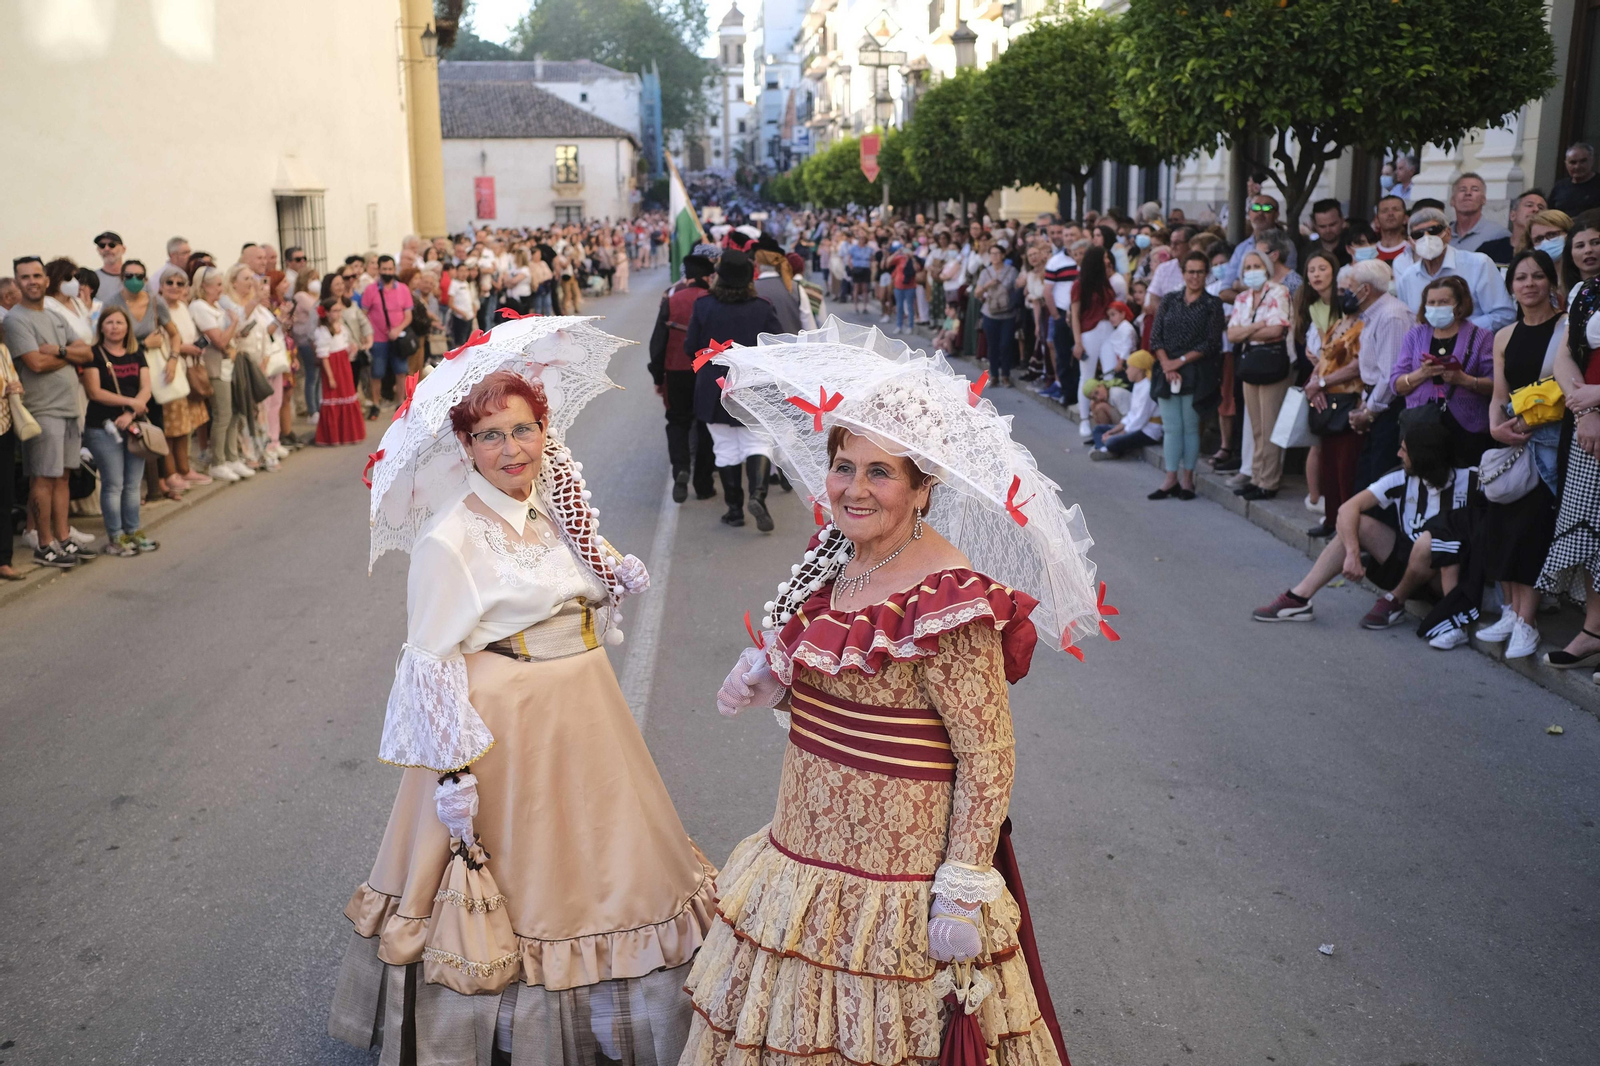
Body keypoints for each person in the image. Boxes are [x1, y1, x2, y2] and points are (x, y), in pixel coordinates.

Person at [331, 355, 712, 1063]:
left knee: (606, 866)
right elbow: (430, 661)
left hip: (588, 713)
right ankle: (514, 1030)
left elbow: (568, 578)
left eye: (525, 429)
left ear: (546, 432)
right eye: (491, 436)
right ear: (466, 448)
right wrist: (453, 776)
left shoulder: (547, 506)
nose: (513, 449)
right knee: (535, 883)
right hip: (515, 730)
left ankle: (608, 1018)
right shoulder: (450, 539)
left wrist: (611, 572)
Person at [1254, 415, 1471, 629]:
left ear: (1424, 456)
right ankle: (1298, 598)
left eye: (1405, 450)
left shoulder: (1471, 480)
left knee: (1428, 542)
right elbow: (1348, 508)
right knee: (1357, 523)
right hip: (1405, 565)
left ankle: (1395, 600)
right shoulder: (1401, 478)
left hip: (1443, 578)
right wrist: (1352, 553)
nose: (1398, 454)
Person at [1471, 250, 1566, 657]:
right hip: (1510, 439)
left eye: (1538, 276)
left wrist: (1528, 423)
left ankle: (1527, 622)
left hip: (1548, 442)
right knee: (1504, 528)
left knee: (1530, 532)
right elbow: (1497, 395)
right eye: (1521, 277)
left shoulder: (1566, 328)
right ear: (1511, 287)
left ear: (1551, 283)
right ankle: (1510, 611)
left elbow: (1566, 387)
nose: (1529, 283)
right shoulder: (1504, 335)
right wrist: (1496, 427)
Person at [4, 256, 96, 568]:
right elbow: (35, 363)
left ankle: (63, 536)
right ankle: (45, 545)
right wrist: (71, 357)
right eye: (24, 276)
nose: (32, 281)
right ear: (17, 283)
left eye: (37, 275)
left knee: (63, 478)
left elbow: (87, 350)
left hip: (69, 407)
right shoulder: (16, 320)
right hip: (42, 410)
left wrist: (59, 351)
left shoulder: (54, 316)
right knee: (42, 478)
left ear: (47, 280)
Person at [685, 250, 783, 531]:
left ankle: (735, 511)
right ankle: (758, 496)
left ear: (718, 276)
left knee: (725, 448)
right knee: (758, 443)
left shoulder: (703, 305)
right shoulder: (762, 306)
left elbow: (691, 346)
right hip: (752, 385)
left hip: (714, 385)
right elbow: (776, 347)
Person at [1535, 269, 1600, 673]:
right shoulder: (1589, 290)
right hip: (1589, 420)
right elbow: (1565, 356)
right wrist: (1588, 409)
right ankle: (1595, 629)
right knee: (1593, 529)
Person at [1390, 276, 1496, 466]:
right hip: (1421, 426)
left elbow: (1495, 383)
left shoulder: (1481, 336)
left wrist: (1464, 380)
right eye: (1431, 302)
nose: (1436, 307)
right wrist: (1421, 374)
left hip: (1466, 429)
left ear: (1459, 305)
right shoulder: (1415, 335)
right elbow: (1396, 384)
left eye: (1443, 302)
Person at [80, 307, 159, 555]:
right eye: (109, 322)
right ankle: (115, 537)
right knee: (113, 484)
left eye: (119, 322)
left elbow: (146, 388)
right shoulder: (93, 354)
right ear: (101, 327)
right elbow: (94, 392)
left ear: (128, 328)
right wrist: (129, 404)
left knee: (133, 484)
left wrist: (131, 412)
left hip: (132, 425)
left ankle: (133, 531)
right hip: (103, 427)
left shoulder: (136, 353)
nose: (115, 327)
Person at [1149, 251, 1225, 500]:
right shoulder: (1169, 300)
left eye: (1199, 272)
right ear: (1183, 273)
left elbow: (1211, 343)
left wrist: (1178, 362)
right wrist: (1167, 364)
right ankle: (1170, 478)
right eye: (1190, 271)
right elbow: (1155, 336)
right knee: (1171, 428)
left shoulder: (1213, 304)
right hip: (1166, 370)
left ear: (1206, 274)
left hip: (1196, 370)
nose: (1194, 276)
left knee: (1191, 428)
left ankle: (1188, 480)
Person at [647, 251, 718, 504]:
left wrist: (658, 376)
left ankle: (681, 469)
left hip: (676, 371)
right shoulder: (713, 300)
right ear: (708, 277)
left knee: (677, 422)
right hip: (707, 372)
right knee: (704, 426)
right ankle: (703, 484)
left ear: (686, 275)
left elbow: (658, 343)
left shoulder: (671, 300)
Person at [1304, 261, 1365, 536]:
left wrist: (1323, 383)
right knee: (1329, 464)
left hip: (1349, 399)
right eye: (1341, 290)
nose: (1343, 295)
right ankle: (1330, 521)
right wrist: (1313, 383)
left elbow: (1358, 365)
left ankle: (1345, 528)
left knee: (1345, 469)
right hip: (1326, 400)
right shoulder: (1339, 323)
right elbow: (1324, 356)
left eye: (1348, 290)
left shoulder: (1365, 325)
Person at [1227, 248, 1294, 500]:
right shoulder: (1242, 297)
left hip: (1272, 361)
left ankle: (1269, 481)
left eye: (1257, 266)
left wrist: (1246, 331)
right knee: (1255, 426)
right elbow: (1231, 334)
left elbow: (1276, 330)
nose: (1252, 271)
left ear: (1266, 268)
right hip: (1250, 361)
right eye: (1248, 267)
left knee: (1269, 426)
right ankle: (1256, 476)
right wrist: (1256, 326)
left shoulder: (1279, 291)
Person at [1395, 206, 1517, 331]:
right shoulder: (1408, 278)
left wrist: (1459, 332)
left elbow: (1504, 314)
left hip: (1472, 346)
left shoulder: (1478, 264)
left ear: (1448, 234)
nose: (1427, 238)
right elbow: (1409, 324)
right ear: (1410, 242)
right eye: (1418, 234)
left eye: (1433, 231)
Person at [189, 264, 251, 482]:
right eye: (217, 285)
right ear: (204, 286)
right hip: (215, 367)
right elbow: (220, 341)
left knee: (234, 413)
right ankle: (218, 462)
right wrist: (234, 323)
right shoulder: (199, 307)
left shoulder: (216, 306)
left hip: (228, 366)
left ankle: (232, 457)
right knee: (222, 415)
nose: (220, 289)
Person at [156, 270, 210, 488]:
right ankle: (171, 473)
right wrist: (185, 348)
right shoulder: (158, 308)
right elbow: (160, 340)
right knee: (171, 427)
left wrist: (196, 347)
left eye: (180, 283)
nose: (175, 286)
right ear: (160, 286)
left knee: (186, 426)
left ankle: (184, 468)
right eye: (169, 282)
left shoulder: (183, 308)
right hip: (170, 370)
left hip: (189, 370)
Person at [312, 276, 367, 447]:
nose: (338, 314)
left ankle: (348, 434)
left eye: (339, 310)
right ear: (326, 312)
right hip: (333, 367)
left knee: (348, 396)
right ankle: (333, 436)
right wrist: (330, 377)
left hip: (343, 363)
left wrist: (350, 348)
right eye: (334, 311)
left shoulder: (341, 327)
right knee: (333, 399)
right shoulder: (322, 331)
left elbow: (342, 346)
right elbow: (324, 356)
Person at [1070, 246, 1118, 435]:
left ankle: (1108, 416)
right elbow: (1075, 315)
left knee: (1110, 375)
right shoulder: (1079, 285)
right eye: (1104, 257)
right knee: (1087, 377)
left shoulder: (1106, 283)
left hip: (1108, 332)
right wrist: (1078, 341)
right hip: (1089, 333)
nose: (1107, 260)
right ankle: (1084, 419)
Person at [363, 255, 414, 416]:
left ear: (394, 269)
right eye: (384, 269)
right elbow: (363, 314)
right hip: (378, 339)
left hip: (398, 338)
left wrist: (397, 330)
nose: (387, 272)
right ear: (379, 270)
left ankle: (401, 402)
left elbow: (408, 316)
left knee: (401, 371)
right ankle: (376, 403)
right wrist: (369, 333)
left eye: (390, 269)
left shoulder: (403, 289)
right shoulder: (371, 290)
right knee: (377, 373)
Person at [1090, 349, 1163, 459]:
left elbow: (1140, 419)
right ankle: (1105, 449)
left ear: (1138, 369)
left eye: (1129, 367)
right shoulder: (1138, 385)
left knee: (1112, 441)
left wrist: (1119, 434)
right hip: (1136, 426)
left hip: (1148, 431)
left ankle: (1106, 448)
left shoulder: (1148, 387)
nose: (1126, 371)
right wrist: (1112, 431)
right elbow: (1131, 414)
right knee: (1099, 430)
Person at [975, 244, 1020, 389]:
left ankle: (1005, 375)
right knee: (992, 345)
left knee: (1006, 344)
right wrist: (987, 285)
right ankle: (994, 375)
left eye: (997, 253)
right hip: (990, 313)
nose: (994, 256)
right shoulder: (985, 273)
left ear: (1002, 255)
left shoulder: (1012, 271)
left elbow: (1018, 289)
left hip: (1008, 313)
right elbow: (977, 294)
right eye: (992, 254)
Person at [1478, 189, 1547, 264]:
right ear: (1512, 215)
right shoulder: (1489, 250)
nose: (1536, 209)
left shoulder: (1547, 251)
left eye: (1541, 208)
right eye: (1529, 205)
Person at [1450, 172, 1511, 254]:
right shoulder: (1441, 235)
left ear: (1483, 200)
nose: (1468, 193)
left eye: (1475, 189)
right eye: (1462, 190)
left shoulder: (1498, 235)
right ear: (1452, 200)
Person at [1549, 143, 1600, 217]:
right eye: (1573, 162)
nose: (1577, 167)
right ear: (1566, 164)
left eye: (1583, 161)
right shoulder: (1559, 186)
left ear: (1592, 160)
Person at [1308, 199, 1351, 265]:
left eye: (1332, 225)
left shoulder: (1353, 246)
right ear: (1315, 226)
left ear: (1342, 220)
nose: (1328, 230)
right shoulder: (1308, 251)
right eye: (1322, 226)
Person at [1373, 194, 1411, 265]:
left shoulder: (1412, 251)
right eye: (1384, 211)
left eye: (1396, 209)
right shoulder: (1369, 253)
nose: (1390, 214)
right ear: (1376, 221)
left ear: (1405, 219)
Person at [92, 231, 126, 299]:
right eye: (102, 245)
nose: (106, 249)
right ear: (98, 250)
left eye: (112, 245)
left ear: (123, 249)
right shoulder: (92, 279)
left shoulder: (135, 277)